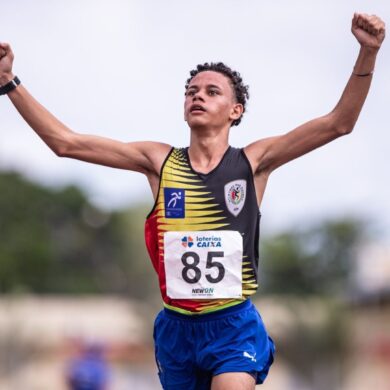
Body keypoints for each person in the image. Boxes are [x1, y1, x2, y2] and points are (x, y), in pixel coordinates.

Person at [0, 12, 385, 390]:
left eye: (211, 91)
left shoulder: (253, 162)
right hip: (177, 330)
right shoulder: (159, 162)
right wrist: (9, 82)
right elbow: (65, 143)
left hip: (233, 326)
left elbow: (340, 122)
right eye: (191, 91)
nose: (197, 95)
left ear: (236, 111)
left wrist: (367, 52)